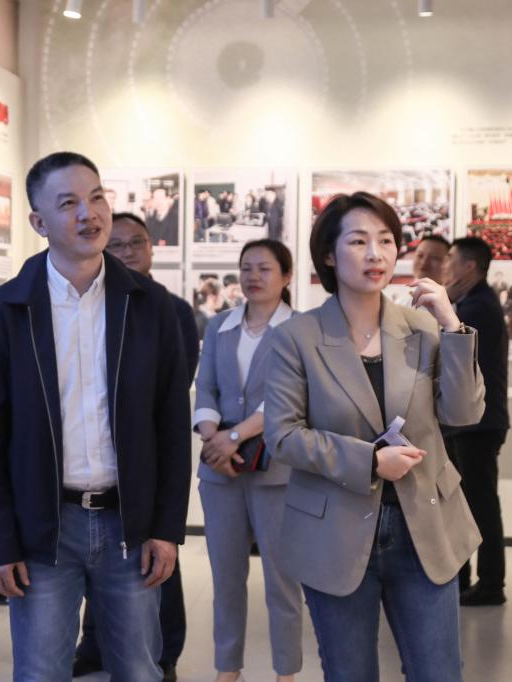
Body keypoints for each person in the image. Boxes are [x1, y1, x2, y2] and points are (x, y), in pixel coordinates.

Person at [0, 151, 191, 682]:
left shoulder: (151, 306)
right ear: (38, 222)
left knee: (139, 670)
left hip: (129, 524)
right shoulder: (6, 310)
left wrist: (166, 527)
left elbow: (171, 427)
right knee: (40, 671)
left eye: (96, 197)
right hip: (43, 528)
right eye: (68, 203)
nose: (89, 214)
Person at [264, 191, 485, 681]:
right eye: (358, 241)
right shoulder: (296, 338)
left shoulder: (424, 327)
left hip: (424, 523)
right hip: (335, 530)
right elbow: (283, 436)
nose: (375, 254)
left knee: (439, 671)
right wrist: (368, 460)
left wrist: (453, 326)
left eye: (385, 241)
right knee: (350, 672)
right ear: (328, 254)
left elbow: (464, 412)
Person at [73, 211, 199, 681]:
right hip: (96, 461)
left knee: (158, 562)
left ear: (151, 249)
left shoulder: (170, 309)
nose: (128, 252)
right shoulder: (91, 304)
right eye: (118, 244)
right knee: (96, 562)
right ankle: (94, 644)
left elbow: (172, 387)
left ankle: (165, 655)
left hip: (146, 460)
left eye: (137, 243)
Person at [194, 239, 302, 682]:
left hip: (277, 470)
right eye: (246, 268)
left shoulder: (299, 329)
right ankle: (228, 667)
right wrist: (213, 441)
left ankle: (286, 672)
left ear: (286, 276)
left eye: (264, 268)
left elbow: (288, 398)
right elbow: (206, 388)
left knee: (282, 580)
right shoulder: (220, 324)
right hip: (220, 472)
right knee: (225, 578)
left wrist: (233, 437)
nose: (253, 276)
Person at [442, 237, 510, 607]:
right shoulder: (473, 302)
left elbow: (460, 366)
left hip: (477, 424)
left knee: (480, 504)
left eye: (450, 259)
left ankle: (490, 583)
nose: (444, 266)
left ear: (469, 266)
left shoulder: (477, 306)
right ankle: (468, 578)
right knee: (470, 501)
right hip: (474, 423)